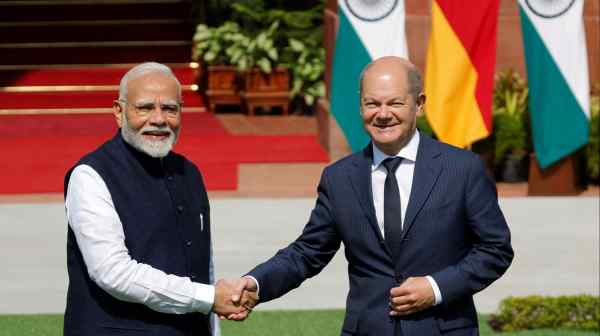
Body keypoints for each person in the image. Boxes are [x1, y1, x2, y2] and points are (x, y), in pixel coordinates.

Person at [227, 56, 514, 335]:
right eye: (372, 103)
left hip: (442, 326)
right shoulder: (339, 178)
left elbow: (495, 249)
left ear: (420, 104)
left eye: (395, 103)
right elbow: (308, 252)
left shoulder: (462, 169)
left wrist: (437, 288)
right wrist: (257, 283)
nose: (383, 114)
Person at [63, 62, 254, 336]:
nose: (159, 119)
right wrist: (209, 297)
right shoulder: (91, 176)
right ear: (119, 112)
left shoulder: (189, 172)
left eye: (169, 108)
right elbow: (112, 272)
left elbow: (204, 265)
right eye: (144, 107)